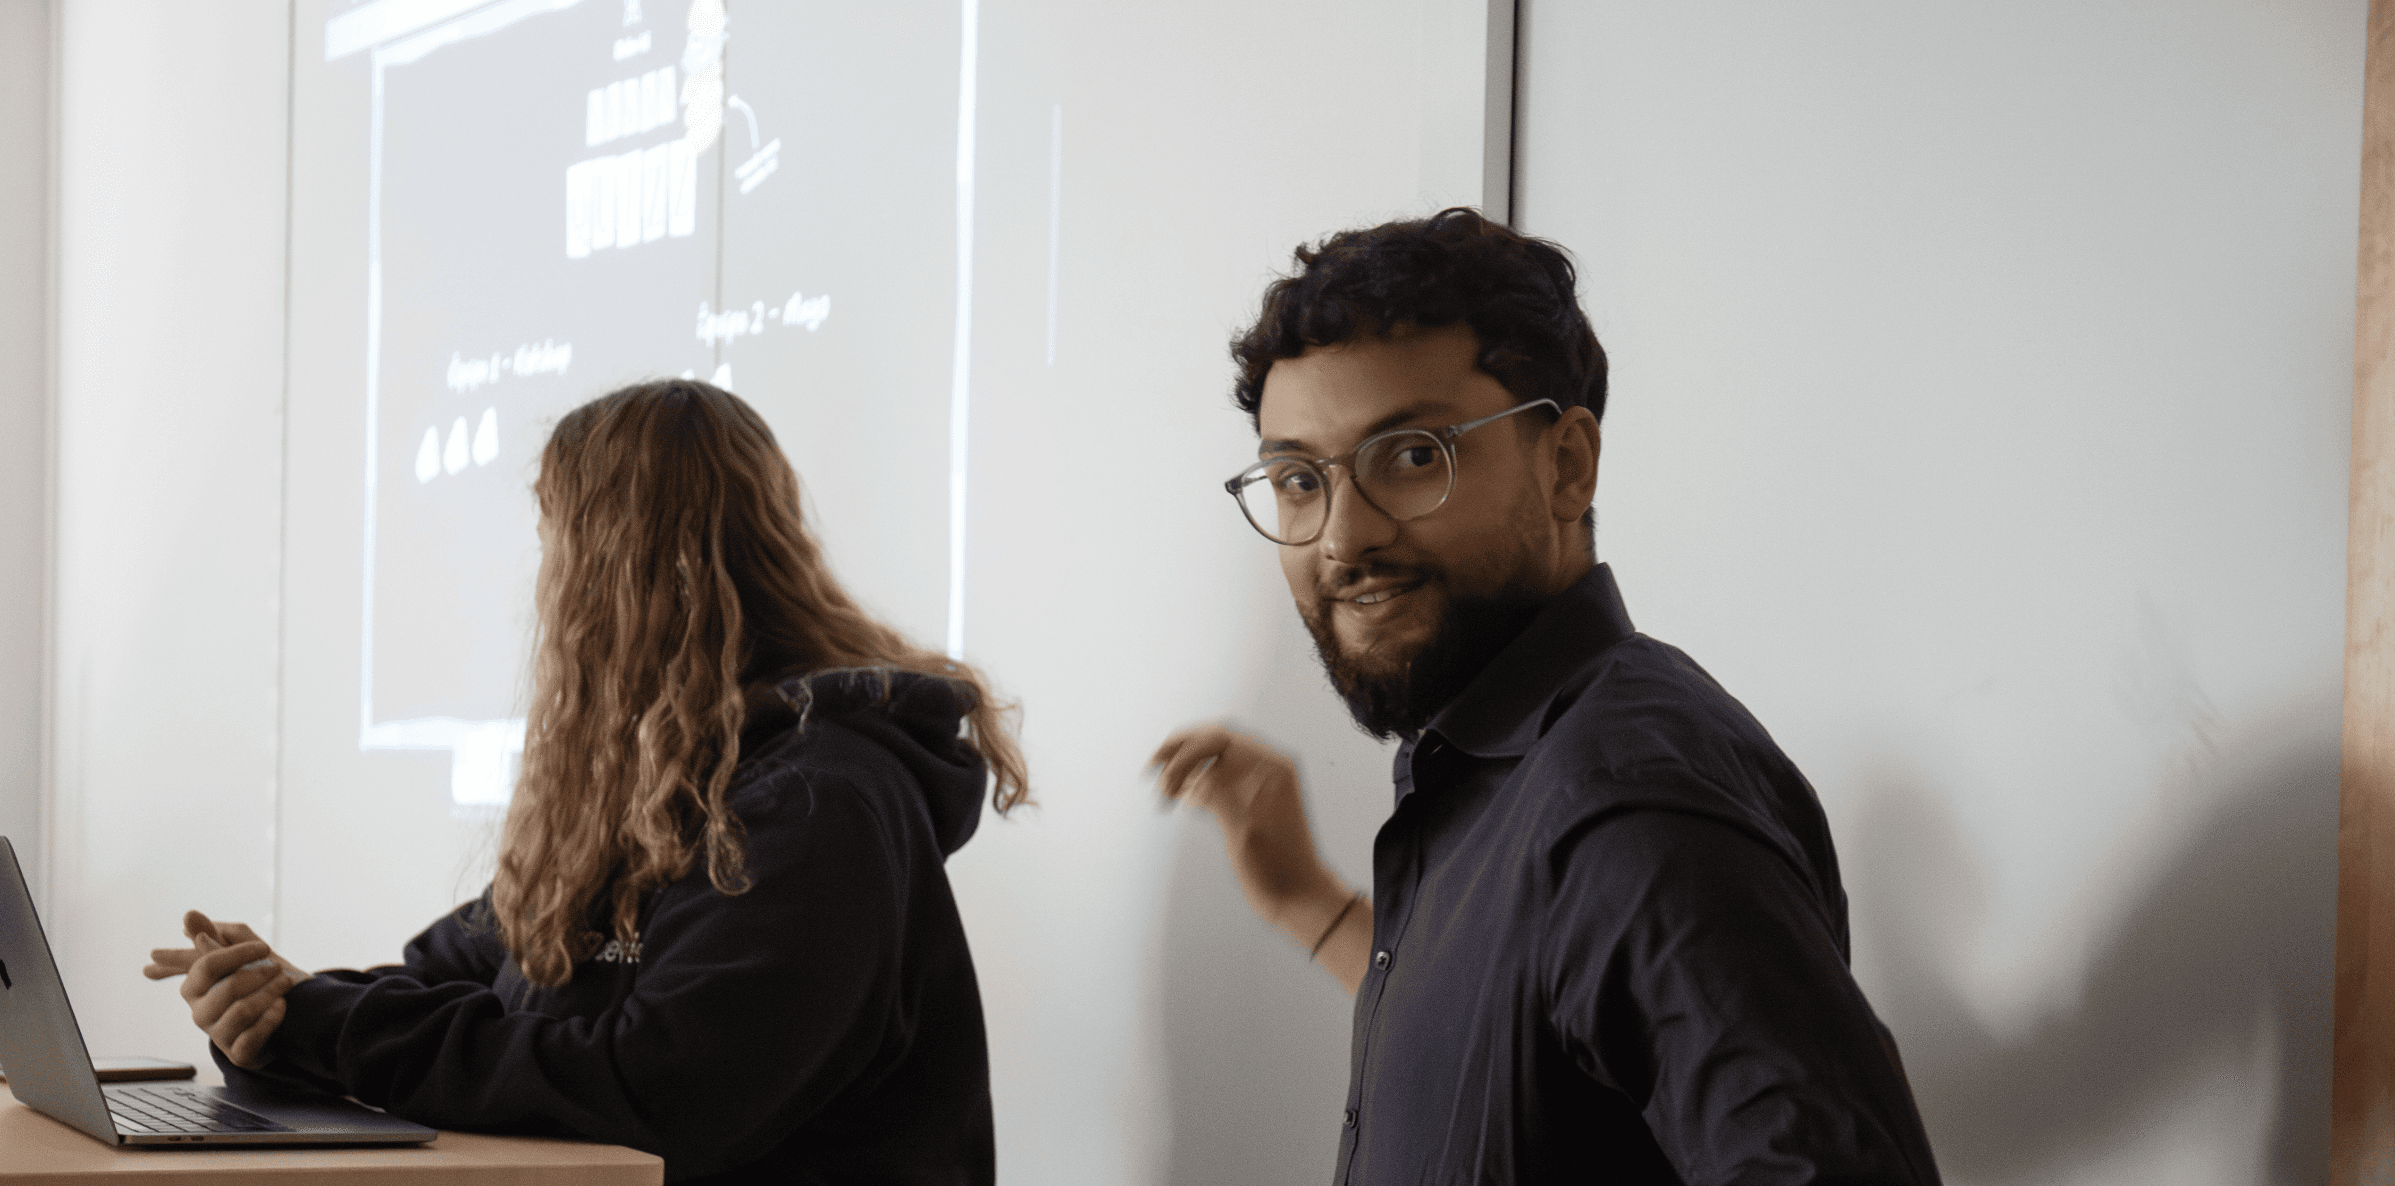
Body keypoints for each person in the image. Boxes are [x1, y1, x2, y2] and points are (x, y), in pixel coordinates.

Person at [1151, 208, 1942, 1184]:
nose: (1342, 539)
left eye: (1410, 457)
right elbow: (1523, 1038)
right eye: (1298, 479)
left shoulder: (1623, 804)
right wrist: (1305, 898)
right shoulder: (1508, 772)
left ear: (1565, 464)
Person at [144, 379, 1028, 1184]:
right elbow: (454, 975)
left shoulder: (819, 804)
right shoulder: (653, 789)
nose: (547, 590)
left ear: (636, 573)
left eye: (557, 547)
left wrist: (321, 1024)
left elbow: (653, 1095)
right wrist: (279, 1010)